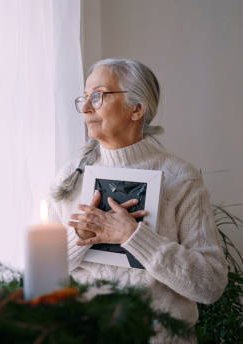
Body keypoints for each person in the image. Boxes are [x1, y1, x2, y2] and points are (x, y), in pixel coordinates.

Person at [48, 58, 228, 343]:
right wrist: (78, 236)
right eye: (83, 98)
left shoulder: (180, 178)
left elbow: (210, 285)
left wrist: (133, 236)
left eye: (98, 96)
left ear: (137, 108)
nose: (85, 109)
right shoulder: (69, 177)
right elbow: (41, 276)